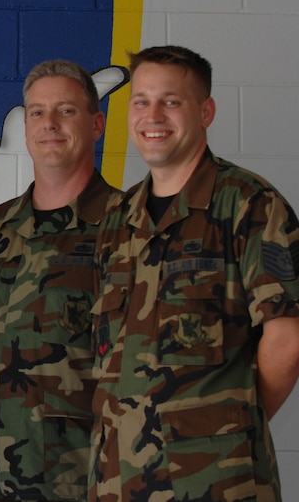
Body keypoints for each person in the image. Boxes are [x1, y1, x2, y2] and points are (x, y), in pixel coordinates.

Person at [90, 45, 299, 501]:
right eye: (141, 101)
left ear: (206, 111)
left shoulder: (250, 205)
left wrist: (231, 420)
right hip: (118, 479)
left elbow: (286, 339)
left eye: (171, 101)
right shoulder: (119, 217)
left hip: (215, 479)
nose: (152, 115)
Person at [0, 60, 120, 501]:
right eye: (36, 112)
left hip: (91, 475)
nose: (49, 123)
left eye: (66, 111)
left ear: (97, 123)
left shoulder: (132, 228)